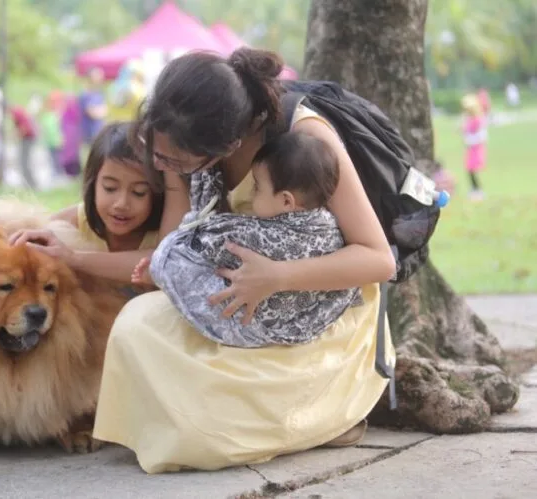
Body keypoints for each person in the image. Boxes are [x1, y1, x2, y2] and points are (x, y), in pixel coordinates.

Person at [25, 47, 397, 473]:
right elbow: (153, 238)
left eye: (174, 162)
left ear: (227, 146)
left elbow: (377, 258)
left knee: (198, 436)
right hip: (234, 304)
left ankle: (326, 417)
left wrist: (276, 277)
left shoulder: (306, 139)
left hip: (315, 312)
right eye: (158, 156)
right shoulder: (180, 145)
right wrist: (53, 241)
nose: (163, 168)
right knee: (137, 326)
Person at [132, 131, 361, 348]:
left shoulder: (255, 235)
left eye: (257, 187)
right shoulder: (331, 231)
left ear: (285, 201)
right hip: (303, 326)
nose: (251, 195)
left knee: (172, 263)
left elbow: (200, 241)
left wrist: (159, 264)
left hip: (252, 325)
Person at [10, 122, 164, 265]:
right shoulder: (73, 222)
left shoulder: (163, 233)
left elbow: (159, 263)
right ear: (93, 183)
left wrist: (73, 257)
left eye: (139, 192)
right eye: (110, 188)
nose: (122, 204)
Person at [461, 94, 487, 201]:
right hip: (471, 148)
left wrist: (470, 140)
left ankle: (478, 190)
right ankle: (474, 189)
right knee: (470, 170)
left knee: (473, 170)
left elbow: (481, 136)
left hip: (476, 148)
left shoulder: (478, 120)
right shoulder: (469, 119)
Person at [9, 104, 39, 190]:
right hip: (28, 138)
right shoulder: (18, 111)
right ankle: (29, 184)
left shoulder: (16, 113)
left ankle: (31, 184)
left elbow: (24, 128)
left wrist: (15, 136)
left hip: (27, 139)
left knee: (24, 162)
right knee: (24, 162)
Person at [78, 67, 108, 146]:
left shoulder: (99, 93)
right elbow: (92, 113)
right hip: (90, 134)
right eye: (97, 77)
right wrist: (100, 111)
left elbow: (105, 110)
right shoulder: (85, 94)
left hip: (99, 132)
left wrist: (100, 111)